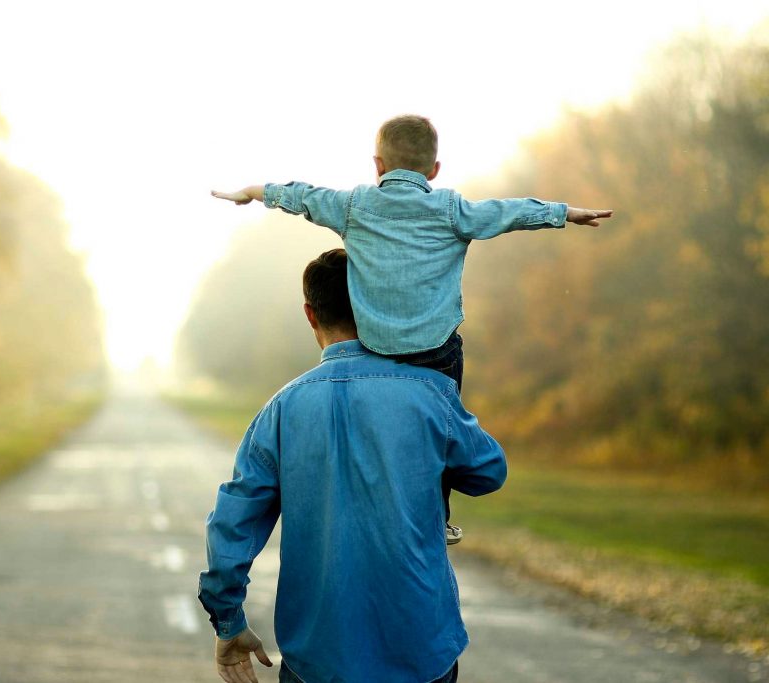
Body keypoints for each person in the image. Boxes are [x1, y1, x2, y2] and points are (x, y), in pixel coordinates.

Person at [212, 114, 612, 544]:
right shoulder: (452, 209)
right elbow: (507, 213)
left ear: (378, 164)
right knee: (440, 432)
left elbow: (303, 196)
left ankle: (366, 496)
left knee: (371, 418)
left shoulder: (354, 206)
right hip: (436, 352)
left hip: (375, 348)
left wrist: (253, 193)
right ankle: (436, 517)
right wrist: (564, 213)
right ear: (434, 170)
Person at [197, 248, 507, 683]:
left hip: (317, 661)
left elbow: (231, 527)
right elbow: (489, 472)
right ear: (378, 302)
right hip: (422, 652)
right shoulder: (430, 393)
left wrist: (227, 621)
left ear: (310, 314)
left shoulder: (282, 410)